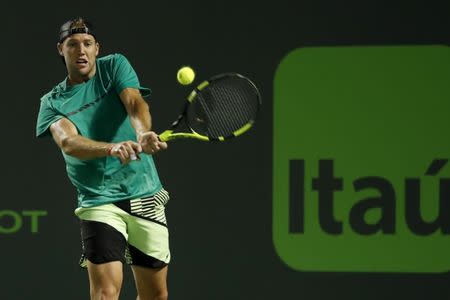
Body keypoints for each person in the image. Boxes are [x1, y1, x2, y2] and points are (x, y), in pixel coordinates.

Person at [36, 17, 170, 300]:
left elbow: (134, 102)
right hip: (99, 201)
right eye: (73, 45)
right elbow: (68, 142)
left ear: (97, 48)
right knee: (105, 293)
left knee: (155, 295)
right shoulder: (52, 102)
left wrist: (143, 133)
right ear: (61, 49)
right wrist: (110, 148)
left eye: (87, 44)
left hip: (145, 193)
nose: (81, 51)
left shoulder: (115, 66)